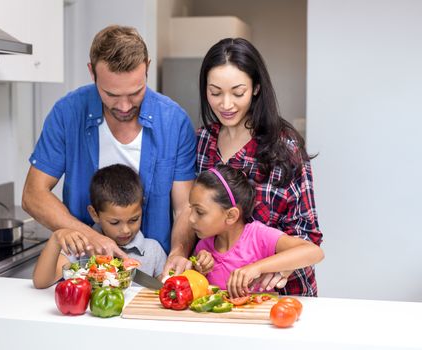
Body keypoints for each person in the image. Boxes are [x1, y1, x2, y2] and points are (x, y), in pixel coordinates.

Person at [22, 25, 196, 274]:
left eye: (136, 92)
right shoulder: (68, 113)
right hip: (85, 275)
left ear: (147, 67)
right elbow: (32, 194)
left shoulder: (174, 122)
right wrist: (90, 236)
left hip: (152, 273)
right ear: (92, 72)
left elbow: (184, 208)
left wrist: (178, 253)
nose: (125, 106)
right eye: (111, 94)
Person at [195, 38, 323, 296]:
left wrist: (267, 267)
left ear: (255, 88)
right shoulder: (202, 141)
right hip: (219, 297)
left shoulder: (284, 147)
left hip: (281, 295)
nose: (226, 104)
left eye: (238, 92)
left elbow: (308, 240)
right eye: (215, 92)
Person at [189, 165, 324, 298]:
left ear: (231, 216)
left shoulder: (258, 236)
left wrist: (256, 268)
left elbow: (315, 252)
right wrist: (198, 271)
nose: (191, 219)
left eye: (199, 212)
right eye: (191, 209)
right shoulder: (203, 246)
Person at [33, 164, 167, 289]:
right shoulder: (80, 247)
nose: (126, 230)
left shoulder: (154, 250)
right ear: (94, 214)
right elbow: (41, 282)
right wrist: (56, 238)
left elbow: (162, 289)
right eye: (115, 222)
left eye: (134, 220)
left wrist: (166, 281)